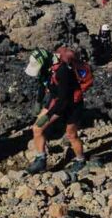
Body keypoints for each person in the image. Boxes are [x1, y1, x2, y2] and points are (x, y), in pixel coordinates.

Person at [28, 45, 86, 173]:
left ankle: (80, 160)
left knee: (72, 135)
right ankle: (41, 160)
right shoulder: (47, 69)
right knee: (37, 128)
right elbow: (42, 85)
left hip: (72, 105)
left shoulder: (62, 71)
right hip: (56, 100)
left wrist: (48, 117)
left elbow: (64, 100)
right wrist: (38, 102)